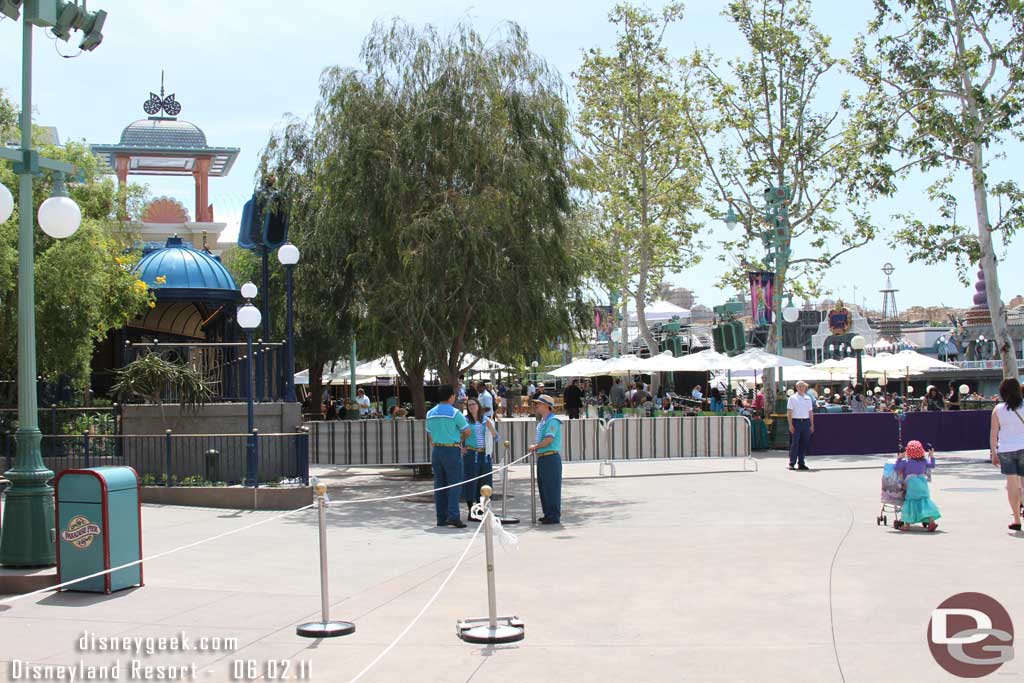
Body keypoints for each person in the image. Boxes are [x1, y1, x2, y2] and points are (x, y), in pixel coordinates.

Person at [425, 385, 471, 528]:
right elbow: (468, 431)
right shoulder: (455, 413)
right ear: (451, 396)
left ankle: (441, 517)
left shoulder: (430, 413)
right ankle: (453, 516)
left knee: (439, 484)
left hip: (437, 451)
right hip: (451, 450)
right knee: (455, 484)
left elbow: (430, 435)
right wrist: (459, 440)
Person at [990, 378, 1024, 531]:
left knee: (1012, 485)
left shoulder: (998, 409)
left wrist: (993, 452)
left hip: (1006, 449)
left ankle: (1016, 519)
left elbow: (993, 433)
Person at [528, 394, 562, 524]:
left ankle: (553, 515)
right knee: (544, 487)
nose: (536, 406)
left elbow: (549, 439)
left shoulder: (552, 421)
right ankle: (548, 513)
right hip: (543, 457)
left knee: (551, 487)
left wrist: (536, 446)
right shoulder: (543, 421)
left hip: (550, 457)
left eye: (539, 404)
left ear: (547, 406)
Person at [463, 397, 498, 521]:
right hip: (471, 454)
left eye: (474, 404)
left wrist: (490, 427)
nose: (472, 406)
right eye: (469, 405)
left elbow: (496, 437)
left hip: (484, 455)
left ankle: (482, 509)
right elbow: (458, 435)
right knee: (471, 482)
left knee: (485, 482)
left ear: (478, 406)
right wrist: (460, 447)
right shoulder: (465, 420)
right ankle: (471, 511)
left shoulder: (486, 420)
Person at [895, 440, 940, 531]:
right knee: (924, 502)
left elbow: (897, 468)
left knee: (910, 502)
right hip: (922, 483)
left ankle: (907, 525)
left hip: (911, 484)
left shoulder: (906, 462)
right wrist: (931, 456)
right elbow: (932, 465)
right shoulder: (924, 461)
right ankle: (932, 522)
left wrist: (899, 458)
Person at [787, 381, 814, 471]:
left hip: (805, 422)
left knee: (804, 443)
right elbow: (789, 412)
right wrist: (790, 425)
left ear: (805, 387)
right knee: (795, 443)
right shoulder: (792, 398)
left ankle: (801, 463)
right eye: (799, 386)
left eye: (802, 386)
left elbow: (810, 412)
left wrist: (811, 424)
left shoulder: (808, 398)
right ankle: (792, 463)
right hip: (796, 421)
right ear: (796, 387)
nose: (801, 388)